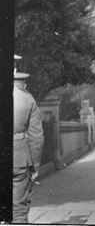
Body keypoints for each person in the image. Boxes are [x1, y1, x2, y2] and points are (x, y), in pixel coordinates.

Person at [13, 70, 44, 224]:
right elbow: (36, 137)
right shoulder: (27, 99)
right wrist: (35, 166)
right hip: (17, 159)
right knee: (18, 208)